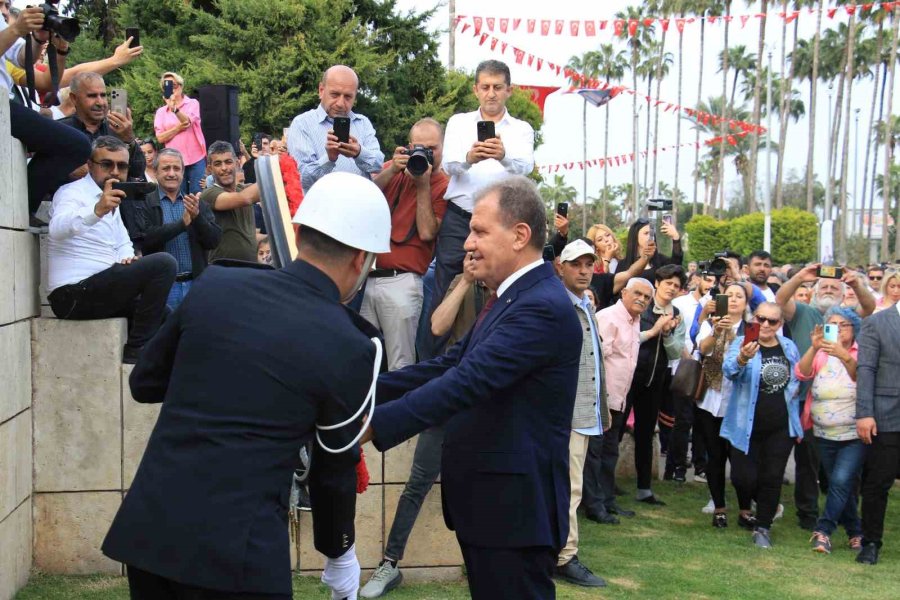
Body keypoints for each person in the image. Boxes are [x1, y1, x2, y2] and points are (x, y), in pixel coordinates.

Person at [101, 172, 392, 600]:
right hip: (238, 554)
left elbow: (144, 383)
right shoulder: (353, 343)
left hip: (151, 532)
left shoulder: (217, 283)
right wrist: (339, 551)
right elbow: (332, 470)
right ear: (361, 259)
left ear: (299, 232)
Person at [361, 176, 581, 600]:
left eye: (479, 231)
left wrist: (371, 425)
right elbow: (448, 364)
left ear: (520, 236)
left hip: (514, 515)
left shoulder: (542, 307)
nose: (467, 243)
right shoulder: (509, 298)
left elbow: (467, 382)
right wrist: (363, 389)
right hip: (491, 509)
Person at [360, 253, 492, 598]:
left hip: (487, 407)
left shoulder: (511, 296)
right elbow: (437, 326)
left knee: (484, 485)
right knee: (418, 483)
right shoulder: (459, 283)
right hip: (448, 398)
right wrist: (465, 280)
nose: (477, 257)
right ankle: (390, 563)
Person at [426, 59, 535, 359]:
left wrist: (504, 155)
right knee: (445, 287)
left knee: (497, 286)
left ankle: (488, 355)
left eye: (498, 87)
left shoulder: (522, 129)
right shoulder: (460, 122)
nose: (491, 94)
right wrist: (469, 157)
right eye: (485, 87)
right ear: (475, 89)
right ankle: (433, 364)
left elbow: (526, 167)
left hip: (501, 223)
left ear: (509, 91)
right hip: (460, 217)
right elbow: (447, 164)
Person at [45, 136, 176, 364]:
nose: (115, 172)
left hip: (101, 288)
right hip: (72, 295)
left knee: (168, 316)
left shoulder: (114, 201)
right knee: (164, 264)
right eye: (107, 164)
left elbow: (123, 244)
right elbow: (56, 229)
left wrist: (129, 260)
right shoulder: (72, 193)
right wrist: (96, 210)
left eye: (121, 166)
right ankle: (137, 349)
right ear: (90, 164)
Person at [775, 264, 875, 530]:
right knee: (807, 463)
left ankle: (845, 516)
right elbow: (780, 301)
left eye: (834, 287)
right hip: (806, 401)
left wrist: (855, 284)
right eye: (824, 286)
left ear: (843, 294)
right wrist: (800, 278)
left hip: (848, 406)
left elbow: (870, 306)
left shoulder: (849, 316)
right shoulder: (803, 312)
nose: (829, 289)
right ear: (815, 291)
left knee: (846, 470)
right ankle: (808, 514)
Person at [364, 118, 448, 371]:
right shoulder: (394, 169)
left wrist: (422, 185)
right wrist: (391, 171)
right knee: (361, 359)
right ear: (409, 146)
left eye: (432, 148)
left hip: (403, 281)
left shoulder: (444, 184)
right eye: (420, 148)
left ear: (444, 147)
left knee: (401, 365)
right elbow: (364, 200)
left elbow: (426, 233)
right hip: (366, 277)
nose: (425, 154)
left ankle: (397, 410)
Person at [551, 240, 609, 588]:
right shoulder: (559, 305)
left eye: (589, 264)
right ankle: (564, 556)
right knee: (569, 487)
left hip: (583, 412)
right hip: (564, 415)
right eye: (577, 264)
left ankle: (559, 553)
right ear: (561, 266)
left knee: (570, 486)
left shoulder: (585, 304)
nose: (584, 270)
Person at [722, 302, 802, 549]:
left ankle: (763, 527)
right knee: (742, 478)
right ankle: (766, 507)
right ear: (753, 319)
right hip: (745, 425)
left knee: (772, 476)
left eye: (772, 321)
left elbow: (798, 378)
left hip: (780, 426)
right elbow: (728, 370)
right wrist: (743, 358)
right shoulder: (744, 342)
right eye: (761, 319)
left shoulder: (788, 346)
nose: (765, 325)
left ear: (780, 325)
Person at [2, 6, 91, 221]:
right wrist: (16, 29)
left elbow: (23, 58)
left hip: (5, 105)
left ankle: (22, 207)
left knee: (76, 145)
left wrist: (39, 38)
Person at [583, 278, 652, 524]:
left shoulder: (635, 321)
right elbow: (597, 360)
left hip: (619, 399)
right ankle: (593, 505)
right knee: (594, 453)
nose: (642, 299)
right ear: (623, 292)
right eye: (638, 293)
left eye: (647, 297)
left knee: (609, 452)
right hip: (601, 397)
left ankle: (607, 500)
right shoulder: (609, 317)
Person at [795, 307, 864, 554]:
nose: (836, 328)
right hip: (822, 431)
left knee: (840, 481)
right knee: (840, 485)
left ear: (854, 328)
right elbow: (801, 373)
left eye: (842, 324)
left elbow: (862, 377)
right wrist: (814, 347)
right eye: (831, 323)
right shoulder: (821, 352)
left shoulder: (862, 351)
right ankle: (856, 532)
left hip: (854, 433)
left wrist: (844, 355)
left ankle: (823, 531)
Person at [121, 148, 221, 310]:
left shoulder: (195, 202)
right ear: (155, 171)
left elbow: (213, 240)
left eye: (176, 169)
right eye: (166, 168)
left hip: (195, 284)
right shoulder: (145, 202)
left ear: (183, 172)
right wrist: (181, 224)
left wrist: (197, 217)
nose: (172, 174)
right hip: (163, 287)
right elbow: (145, 239)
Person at [626, 264, 686, 505]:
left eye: (677, 286)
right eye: (668, 283)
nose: (672, 288)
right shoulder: (642, 304)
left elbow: (674, 354)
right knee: (616, 429)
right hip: (630, 376)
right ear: (658, 283)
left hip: (655, 381)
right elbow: (630, 338)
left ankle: (644, 488)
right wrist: (655, 329)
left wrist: (669, 333)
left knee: (645, 431)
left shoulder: (677, 313)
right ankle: (603, 484)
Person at [695, 283, 751, 527]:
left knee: (740, 459)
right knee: (714, 457)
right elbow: (703, 349)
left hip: (740, 403)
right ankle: (719, 507)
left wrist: (734, 337)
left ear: (746, 303)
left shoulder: (752, 329)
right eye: (730, 295)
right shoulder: (710, 323)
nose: (734, 299)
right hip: (712, 401)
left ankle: (746, 508)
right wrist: (716, 331)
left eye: (740, 296)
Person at [854, 293, 900, 565]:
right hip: (885, 416)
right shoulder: (876, 323)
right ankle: (870, 542)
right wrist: (865, 413)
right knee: (877, 484)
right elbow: (866, 369)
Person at [288, 65, 384, 192]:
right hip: (322, 209)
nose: (340, 103)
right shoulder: (302, 124)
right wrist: (329, 158)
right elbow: (302, 179)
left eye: (348, 97)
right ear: (321, 90)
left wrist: (359, 153)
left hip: (359, 207)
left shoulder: (362, 123)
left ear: (355, 97)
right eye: (335, 94)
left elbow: (378, 165)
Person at [667, 270, 718, 482]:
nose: (709, 284)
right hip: (685, 366)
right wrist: (703, 315)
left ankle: (701, 466)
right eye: (707, 279)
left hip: (709, 368)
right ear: (697, 279)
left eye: (714, 281)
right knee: (683, 419)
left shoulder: (719, 303)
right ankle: (676, 467)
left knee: (703, 420)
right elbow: (686, 335)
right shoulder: (680, 303)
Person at [59, 72, 145, 181]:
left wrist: (129, 139)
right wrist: (67, 170)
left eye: (103, 95)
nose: (100, 102)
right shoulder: (60, 131)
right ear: (74, 98)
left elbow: (138, 171)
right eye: (92, 96)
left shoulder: (118, 130)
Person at [199, 141, 261, 264]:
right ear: (210, 169)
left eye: (228, 162)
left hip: (251, 269)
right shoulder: (208, 194)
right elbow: (245, 198)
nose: (224, 168)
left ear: (237, 164)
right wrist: (275, 169)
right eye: (218, 164)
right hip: (223, 271)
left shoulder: (245, 189)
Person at [153, 71, 207, 194]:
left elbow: (187, 122)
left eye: (175, 85)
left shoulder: (193, 103)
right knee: (177, 194)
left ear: (181, 86)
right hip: (174, 160)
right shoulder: (161, 112)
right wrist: (178, 128)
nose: (172, 89)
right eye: (167, 86)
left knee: (198, 194)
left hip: (196, 157)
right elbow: (160, 138)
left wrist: (175, 109)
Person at [615, 217, 683, 282]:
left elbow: (676, 265)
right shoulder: (623, 264)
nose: (650, 237)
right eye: (646, 233)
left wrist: (675, 237)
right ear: (635, 237)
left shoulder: (661, 260)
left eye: (651, 234)